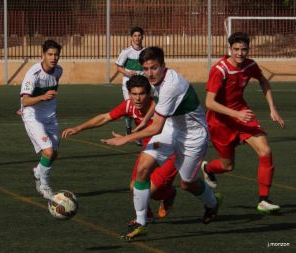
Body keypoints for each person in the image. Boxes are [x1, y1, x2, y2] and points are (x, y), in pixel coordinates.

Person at [102, 47, 222, 240]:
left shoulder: (171, 85)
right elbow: (157, 107)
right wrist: (140, 124)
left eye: (154, 68)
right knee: (143, 168)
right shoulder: (155, 80)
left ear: (163, 66)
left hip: (193, 136)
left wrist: (125, 138)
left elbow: (156, 127)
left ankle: (212, 203)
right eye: (146, 68)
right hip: (171, 129)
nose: (150, 73)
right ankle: (141, 222)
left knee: (187, 183)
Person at [61, 75, 178, 221]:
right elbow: (105, 117)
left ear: (148, 94)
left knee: (152, 191)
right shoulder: (129, 105)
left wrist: (126, 138)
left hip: (170, 151)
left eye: (141, 94)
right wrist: (79, 128)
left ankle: (169, 194)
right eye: (134, 94)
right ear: (129, 94)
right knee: (134, 186)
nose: (137, 98)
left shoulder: (160, 107)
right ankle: (145, 216)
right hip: (149, 149)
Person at [202, 32, 284, 214]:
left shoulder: (250, 65)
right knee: (227, 166)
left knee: (266, 151)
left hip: (243, 115)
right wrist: (235, 114)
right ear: (229, 49)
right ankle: (207, 168)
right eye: (236, 49)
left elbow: (263, 80)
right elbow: (209, 103)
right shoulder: (220, 70)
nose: (240, 53)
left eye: (244, 49)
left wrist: (272, 108)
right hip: (220, 122)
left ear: (248, 49)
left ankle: (264, 200)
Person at [20, 39, 63, 200]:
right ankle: (44, 187)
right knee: (48, 151)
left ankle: (38, 171)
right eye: (50, 54)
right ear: (43, 55)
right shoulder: (33, 74)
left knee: (54, 154)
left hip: (50, 117)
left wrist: (46, 99)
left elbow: (53, 88)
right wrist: (42, 97)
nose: (53, 58)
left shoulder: (59, 70)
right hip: (33, 117)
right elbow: (25, 100)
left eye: (56, 55)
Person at [115, 26, 145, 135]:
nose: (137, 38)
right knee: (130, 107)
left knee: (141, 109)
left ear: (142, 37)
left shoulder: (145, 52)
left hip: (141, 86)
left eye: (139, 36)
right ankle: (128, 127)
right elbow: (118, 67)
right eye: (135, 36)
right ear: (131, 38)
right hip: (128, 85)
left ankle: (138, 133)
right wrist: (128, 73)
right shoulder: (126, 52)